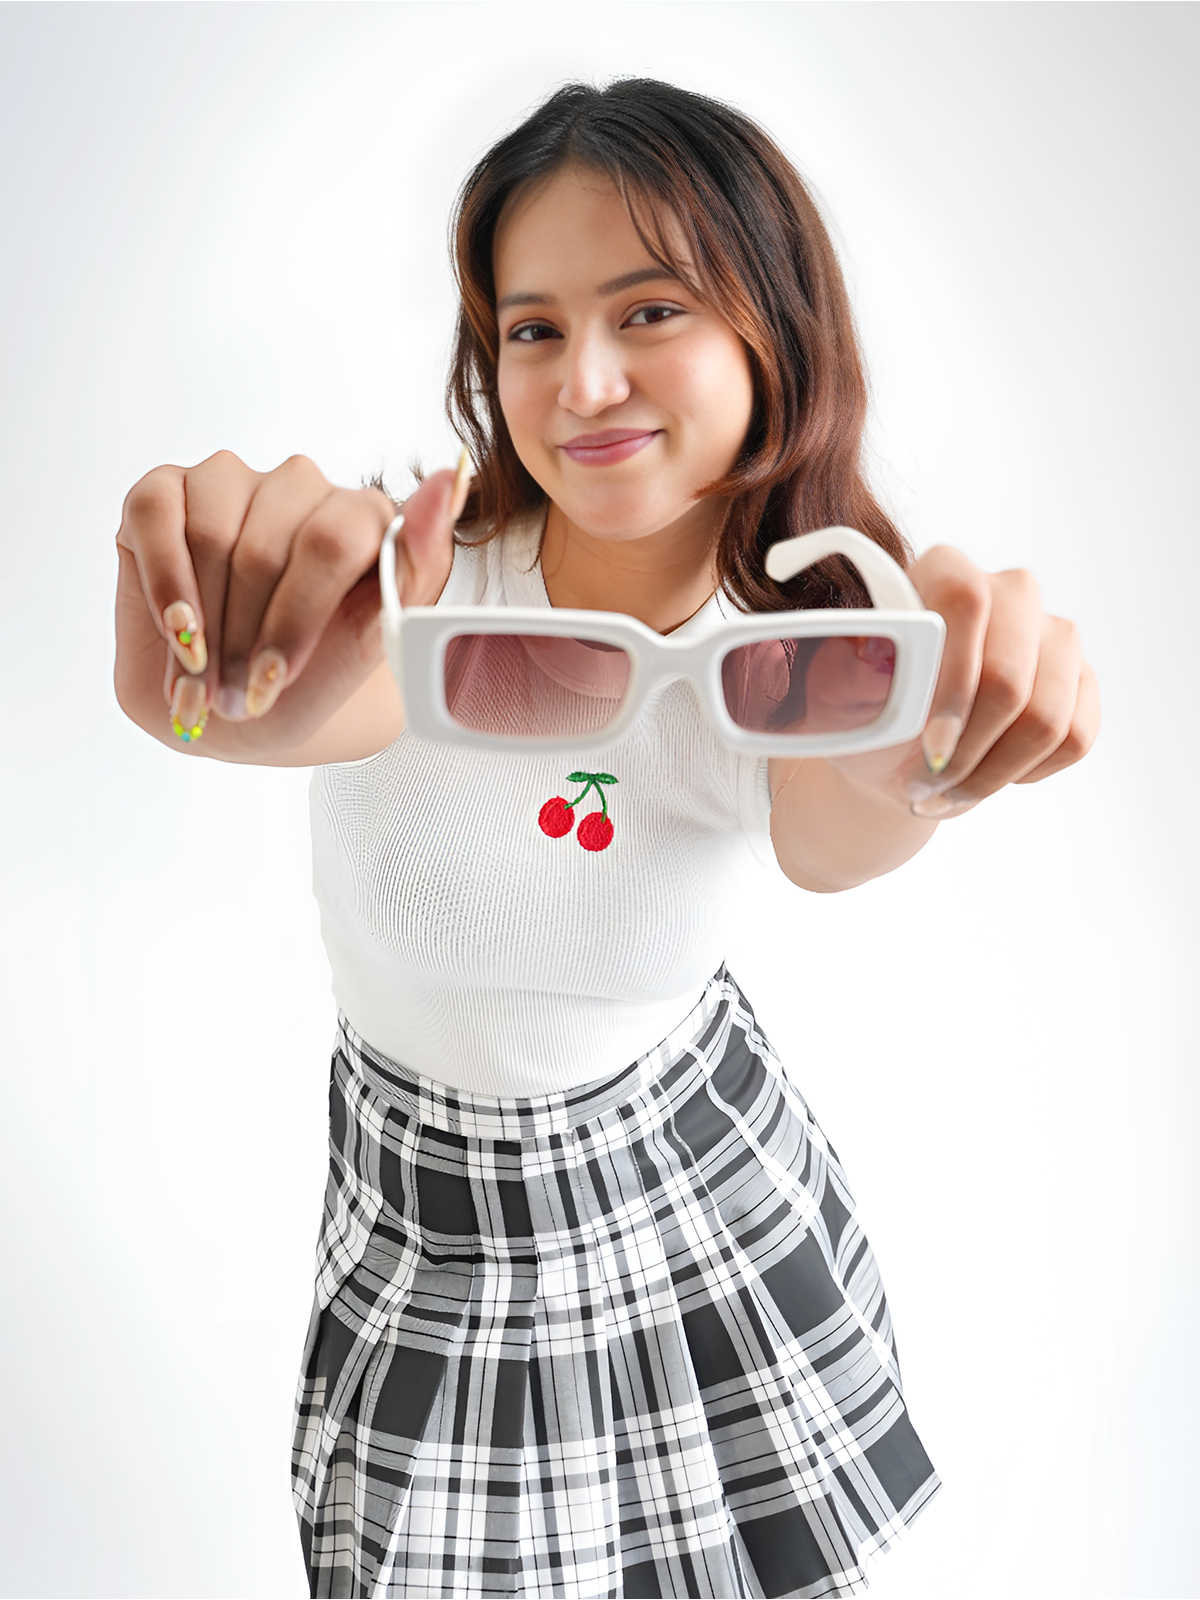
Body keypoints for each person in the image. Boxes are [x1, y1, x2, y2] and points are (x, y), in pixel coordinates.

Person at [113, 79, 1098, 1600]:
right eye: (532, 328)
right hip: (422, 1209)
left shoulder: (803, 657)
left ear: (772, 333)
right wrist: (199, 691)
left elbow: (843, 830)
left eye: (651, 312)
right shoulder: (414, 589)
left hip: (688, 1186)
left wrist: (938, 764)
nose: (584, 382)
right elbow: (282, 711)